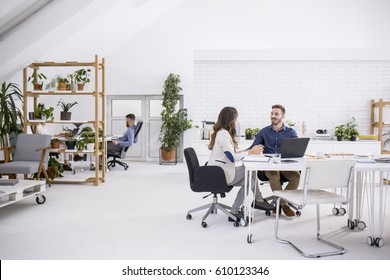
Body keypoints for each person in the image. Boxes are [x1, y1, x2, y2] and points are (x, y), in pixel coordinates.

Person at [207, 106, 274, 222]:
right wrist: (250, 152)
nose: (237, 122)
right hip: (220, 175)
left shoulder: (223, 133)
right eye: (236, 119)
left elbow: (231, 154)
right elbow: (232, 158)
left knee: (250, 181)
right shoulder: (223, 134)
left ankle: (236, 210)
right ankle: (258, 200)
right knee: (251, 171)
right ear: (231, 120)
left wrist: (250, 151)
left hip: (220, 171)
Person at [248, 104, 300, 217]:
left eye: (276, 114)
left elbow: (297, 149)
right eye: (272, 113)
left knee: (296, 176)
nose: (273, 116)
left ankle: (280, 203)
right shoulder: (264, 132)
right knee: (274, 174)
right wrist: (249, 151)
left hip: (285, 165)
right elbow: (252, 148)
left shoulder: (291, 132)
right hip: (269, 166)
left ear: (282, 116)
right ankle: (285, 205)